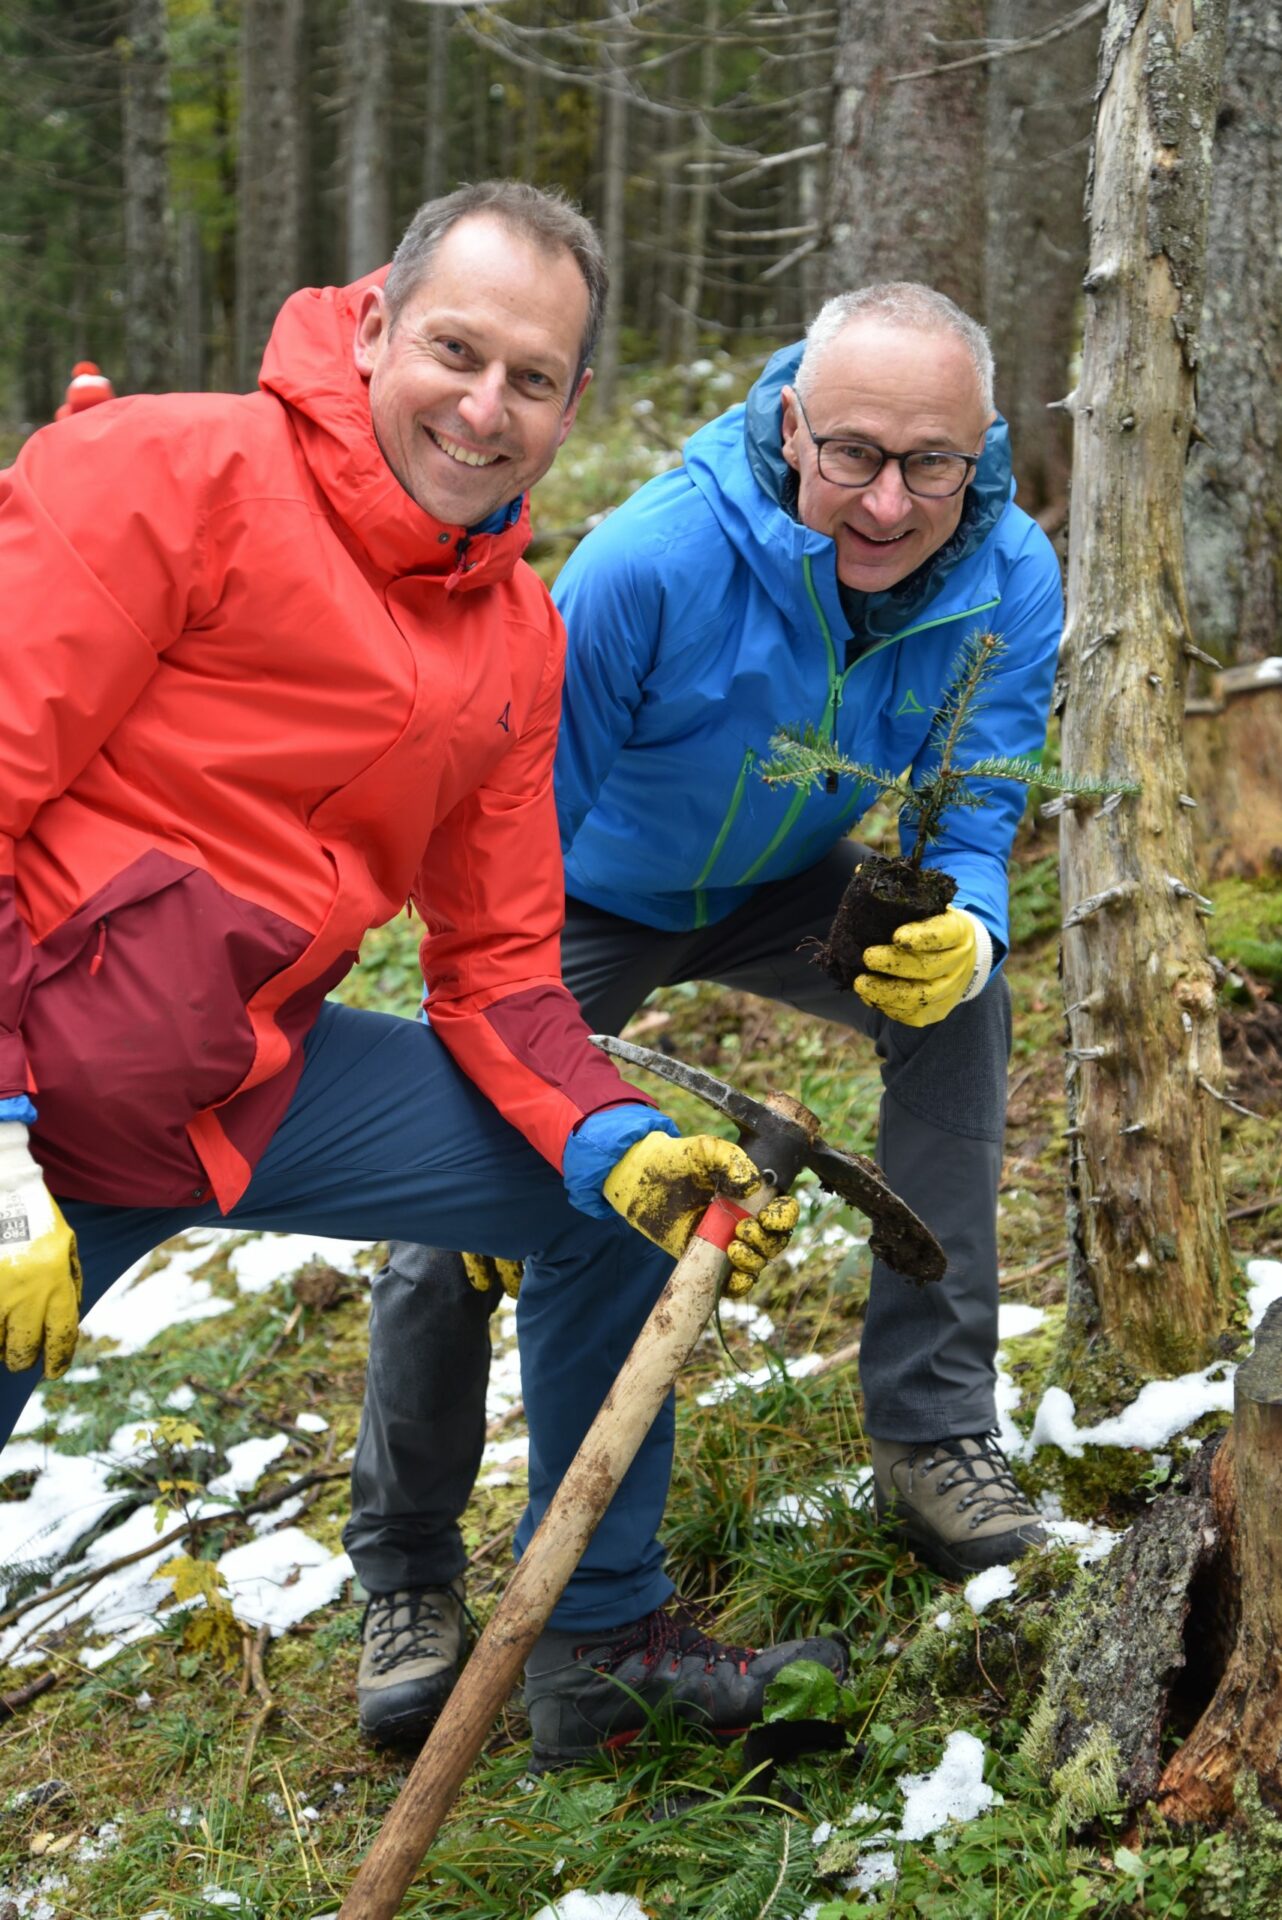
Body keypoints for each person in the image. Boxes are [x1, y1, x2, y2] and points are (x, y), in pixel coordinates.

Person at [0, 181, 843, 1771]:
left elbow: (506, 962)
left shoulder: (515, 637)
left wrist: (607, 1136)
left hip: (246, 1088)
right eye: (457, 349)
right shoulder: (159, 474)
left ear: (573, 404)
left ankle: (597, 1638)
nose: (485, 405)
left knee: (620, 1210)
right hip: (31, 1110)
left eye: (533, 378)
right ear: (374, 323)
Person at [345, 280, 1063, 1744]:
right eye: (851, 453)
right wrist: (529, 1096)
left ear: (980, 452)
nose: (884, 502)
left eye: (930, 464)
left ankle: (931, 1437)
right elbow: (504, 842)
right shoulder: (647, 561)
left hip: (790, 887)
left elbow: (981, 795)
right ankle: (407, 1574)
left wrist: (974, 929)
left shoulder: (1009, 569)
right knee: (457, 1210)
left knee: (962, 1015)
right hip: (580, 896)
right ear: (788, 419)